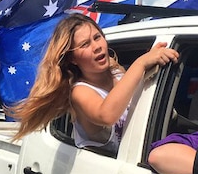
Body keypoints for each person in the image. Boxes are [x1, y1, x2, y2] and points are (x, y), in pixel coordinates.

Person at [10, 13, 179, 153]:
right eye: (85, 44)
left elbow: (138, 100)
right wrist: (140, 63)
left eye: (97, 37)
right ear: (72, 59)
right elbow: (106, 115)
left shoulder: (116, 71)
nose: (96, 47)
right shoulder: (79, 92)